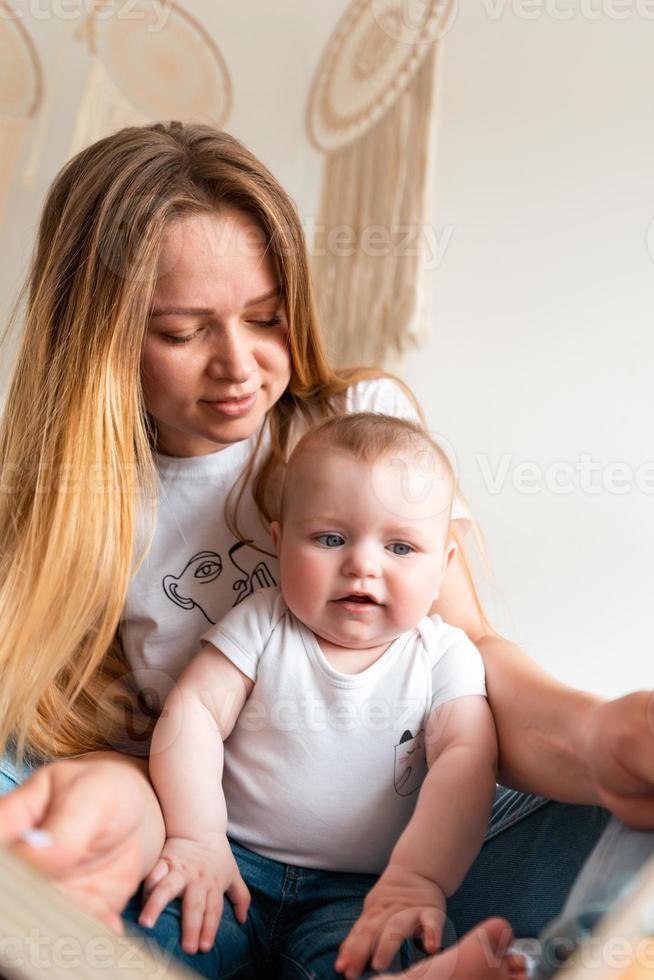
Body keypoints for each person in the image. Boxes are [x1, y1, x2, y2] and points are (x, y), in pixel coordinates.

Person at [0, 121, 652, 978]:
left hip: (422, 849)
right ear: (103, 337)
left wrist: (599, 733)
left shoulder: (355, 430)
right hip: (209, 854)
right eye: (184, 332)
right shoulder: (81, 504)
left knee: (630, 814)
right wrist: (146, 823)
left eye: (265, 318)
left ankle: (508, 957)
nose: (240, 367)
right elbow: (131, 736)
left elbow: (472, 662)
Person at [138, 412, 508, 979]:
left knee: (371, 953)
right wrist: (196, 836)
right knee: (160, 933)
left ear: (444, 568)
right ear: (281, 543)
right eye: (330, 538)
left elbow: (467, 760)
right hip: (232, 861)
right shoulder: (264, 623)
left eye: (402, 548)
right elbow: (194, 714)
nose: (363, 563)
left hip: (363, 891)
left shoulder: (443, 655)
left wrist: (419, 877)